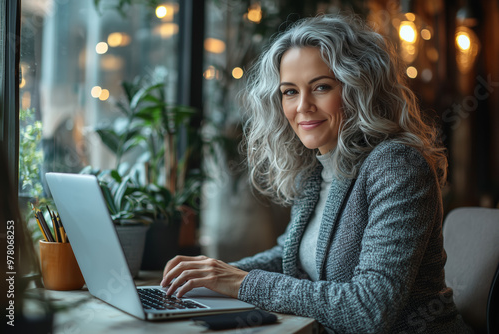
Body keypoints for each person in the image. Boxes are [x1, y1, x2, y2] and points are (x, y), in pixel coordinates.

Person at [161, 14, 472, 333]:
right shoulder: (317, 167)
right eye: (289, 91)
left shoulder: (397, 165)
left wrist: (241, 283)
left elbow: (369, 310)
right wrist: (210, 278)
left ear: (357, 88)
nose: (302, 106)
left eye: (321, 87)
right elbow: (291, 255)